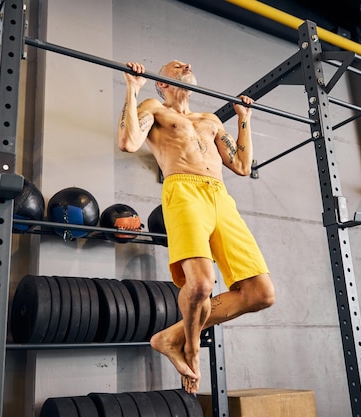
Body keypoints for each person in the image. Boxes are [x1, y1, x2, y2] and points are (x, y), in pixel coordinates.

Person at [117, 60, 275, 394]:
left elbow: (243, 166)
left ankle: (170, 338)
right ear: (162, 82)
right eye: (175, 65)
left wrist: (244, 120)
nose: (185, 64)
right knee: (201, 284)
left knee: (261, 294)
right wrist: (132, 88)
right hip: (183, 190)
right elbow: (129, 142)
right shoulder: (154, 107)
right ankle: (191, 348)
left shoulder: (211, 120)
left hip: (221, 197)